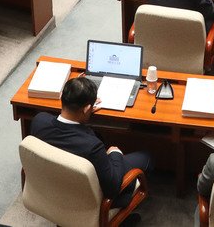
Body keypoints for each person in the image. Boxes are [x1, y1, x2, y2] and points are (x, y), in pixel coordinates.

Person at [29, 76, 150, 206]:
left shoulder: (39, 121)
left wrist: (84, 112)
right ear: (87, 109)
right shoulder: (92, 146)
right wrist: (115, 153)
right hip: (89, 200)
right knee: (146, 157)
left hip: (52, 187)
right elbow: (112, 189)